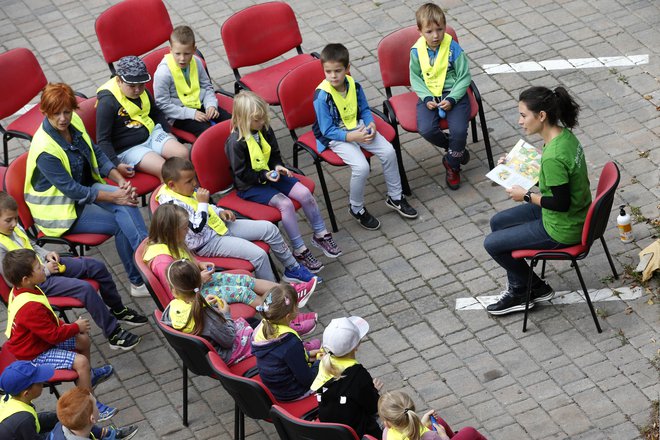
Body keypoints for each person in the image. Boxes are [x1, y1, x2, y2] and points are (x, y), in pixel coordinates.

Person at [25, 82, 149, 298]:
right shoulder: (44, 149)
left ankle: (150, 261)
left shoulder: (74, 123)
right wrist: (114, 196)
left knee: (126, 203)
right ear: (45, 112)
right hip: (61, 212)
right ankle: (142, 277)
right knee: (120, 221)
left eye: (67, 111)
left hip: (85, 189)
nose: (63, 118)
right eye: (56, 114)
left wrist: (119, 181)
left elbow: (97, 153)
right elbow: (73, 191)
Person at [484, 86, 589, 315]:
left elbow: (561, 203)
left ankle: (535, 287)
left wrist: (527, 196)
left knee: (492, 244)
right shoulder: (563, 136)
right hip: (577, 213)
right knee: (498, 222)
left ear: (541, 116)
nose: (520, 121)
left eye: (523, 115)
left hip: (562, 226)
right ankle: (523, 289)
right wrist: (515, 166)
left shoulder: (553, 157)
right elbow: (555, 181)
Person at [0, 192, 145, 351]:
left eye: (15, 218)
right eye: (9, 220)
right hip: (38, 283)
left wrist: (46, 254)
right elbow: (12, 280)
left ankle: (118, 309)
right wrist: (46, 271)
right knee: (85, 289)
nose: (14, 223)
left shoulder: (12, 227)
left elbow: (32, 245)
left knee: (96, 266)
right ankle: (113, 334)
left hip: (44, 266)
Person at [146, 204, 318, 333]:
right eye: (184, 229)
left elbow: (186, 256)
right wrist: (199, 279)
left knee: (246, 280)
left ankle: (289, 293)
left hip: (199, 283)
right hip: (194, 298)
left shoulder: (172, 241)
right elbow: (177, 292)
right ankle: (280, 323)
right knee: (243, 293)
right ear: (171, 231)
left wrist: (198, 264)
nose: (187, 231)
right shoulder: (162, 261)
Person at [226, 91, 341, 273]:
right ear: (243, 119)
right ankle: (299, 250)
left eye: (263, 117)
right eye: (257, 120)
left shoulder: (264, 128)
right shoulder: (235, 143)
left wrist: (278, 166)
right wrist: (264, 176)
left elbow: (274, 156)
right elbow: (242, 174)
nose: (262, 122)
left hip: (270, 175)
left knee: (304, 194)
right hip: (250, 185)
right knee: (285, 204)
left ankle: (320, 234)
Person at [155, 157, 318, 284]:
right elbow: (197, 227)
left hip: (220, 226)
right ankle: (274, 297)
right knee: (259, 255)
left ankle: (293, 269)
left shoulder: (183, 189)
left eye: (194, 178)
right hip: (208, 242)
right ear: (172, 185)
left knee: (270, 229)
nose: (195, 183)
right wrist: (204, 203)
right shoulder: (172, 205)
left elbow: (207, 208)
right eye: (189, 181)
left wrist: (221, 211)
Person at [313, 43, 418, 231]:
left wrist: (370, 124)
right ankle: (356, 208)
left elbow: (364, 109)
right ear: (323, 70)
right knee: (361, 167)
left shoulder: (354, 85)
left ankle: (395, 197)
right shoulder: (322, 97)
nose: (333, 76)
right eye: (328, 72)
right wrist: (352, 137)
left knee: (388, 152)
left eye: (338, 71)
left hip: (357, 126)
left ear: (347, 69)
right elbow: (327, 130)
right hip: (336, 136)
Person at [2, 250, 116, 421]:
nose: (43, 268)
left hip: (39, 341)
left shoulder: (26, 290)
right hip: (34, 354)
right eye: (38, 267)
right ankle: (90, 407)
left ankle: (88, 378)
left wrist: (73, 329)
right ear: (26, 279)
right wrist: (75, 327)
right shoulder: (30, 307)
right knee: (81, 362)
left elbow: (48, 322)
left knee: (83, 341)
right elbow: (53, 336)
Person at [410, 3, 472, 190]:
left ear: (445, 27)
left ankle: (452, 164)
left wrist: (453, 98)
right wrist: (427, 98)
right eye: (429, 31)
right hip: (429, 94)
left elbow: (464, 76)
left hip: (454, 94)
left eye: (440, 29)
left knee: (459, 131)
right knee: (427, 130)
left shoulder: (453, 48)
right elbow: (415, 78)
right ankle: (457, 150)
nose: (436, 35)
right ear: (419, 31)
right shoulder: (416, 51)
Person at [96, 55, 189, 180]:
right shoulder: (107, 103)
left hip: (152, 134)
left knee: (182, 154)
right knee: (165, 170)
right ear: (119, 81)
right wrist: (116, 164)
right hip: (129, 148)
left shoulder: (141, 90)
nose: (137, 90)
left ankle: (192, 193)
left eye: (141, 85)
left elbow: (156, 113)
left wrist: (167, 132)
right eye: (132, 86)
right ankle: (171, 198)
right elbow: (103, 140)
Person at [0, 362, 137, 440]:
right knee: (71, 430)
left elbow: (35, 420)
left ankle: (101, 434)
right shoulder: (22, 419)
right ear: (26, 392)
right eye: (39, 382)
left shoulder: (12, 400)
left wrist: (60, 417)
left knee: (71, 418)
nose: (43, 382)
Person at [311, 316, 383, 438]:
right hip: (358, 431)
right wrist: (373, 390)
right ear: (356, 346)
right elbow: (373, 406)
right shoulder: (358, 375)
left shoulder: (323, 363)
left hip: (331, 430)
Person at [154, 25, 231, 136]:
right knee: (209, 134)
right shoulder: (163, 74)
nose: (182, 59)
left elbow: (207, 87)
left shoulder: (196, 62)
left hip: (201, 104)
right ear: (170, 50)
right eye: (177, 54)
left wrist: (211, 105)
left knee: (232, 123)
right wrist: (192, 113)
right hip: (179, 114)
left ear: (194, 50)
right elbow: (163, 105)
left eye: (187, 54)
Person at [251, 284, 321, 401]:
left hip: (276, 388)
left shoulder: (262, 327)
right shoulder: (290, 343)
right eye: (297, 306)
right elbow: (308, 380)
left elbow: (280, 358)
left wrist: (307, 355)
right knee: (337, 367)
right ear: (289, 316)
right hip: (293, 392)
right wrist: (320, 362)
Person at [378, 390, 486, 440]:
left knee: (439, 422)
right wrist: (443, 436)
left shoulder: (387, 433)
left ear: (387, 422)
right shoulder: (431, 437)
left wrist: (422, 424)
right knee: (469, 431)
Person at [48, 387, 138, 440]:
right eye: (96, 405)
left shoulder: (60, 426)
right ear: (92, 418)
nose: (98, 408)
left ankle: (106, 435)